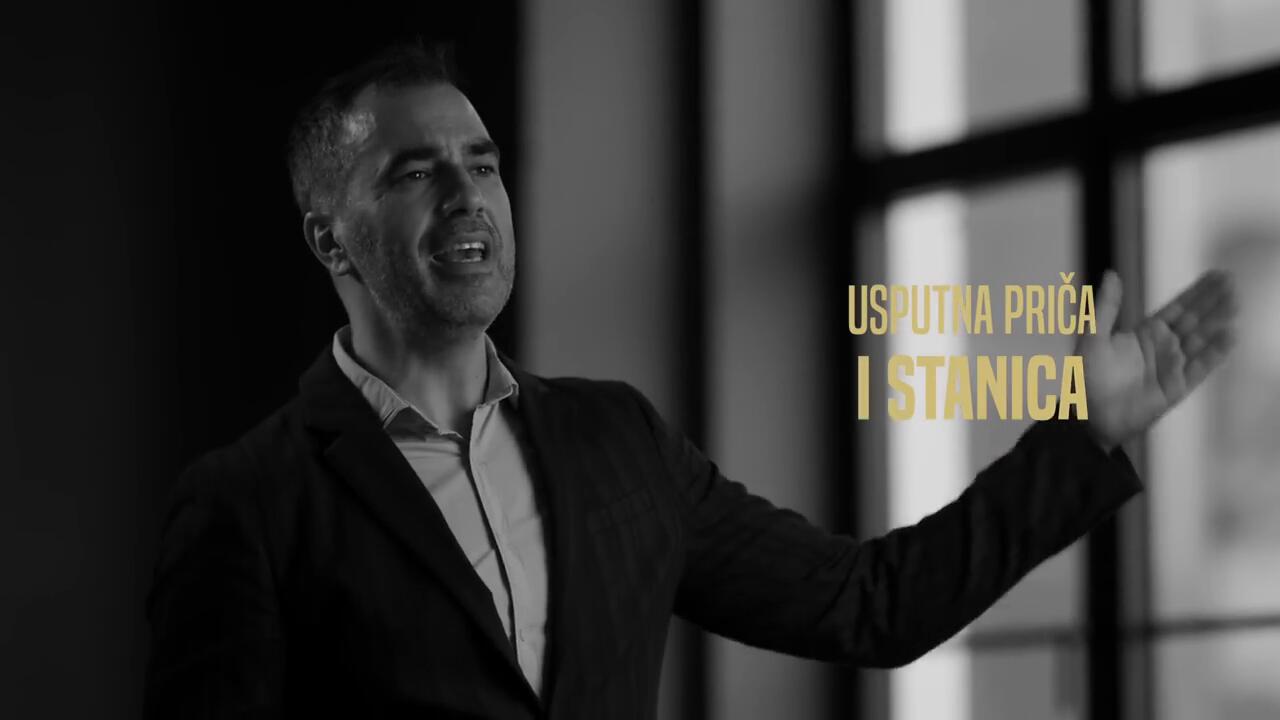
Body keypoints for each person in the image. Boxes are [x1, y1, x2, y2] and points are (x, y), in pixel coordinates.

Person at [143, 43, 1238, 719]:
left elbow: (873, 606)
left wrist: (1080, 436)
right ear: (331, 240)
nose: (467, 196)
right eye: (416, 174)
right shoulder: (248, 504)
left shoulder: (616, 441)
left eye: (482, 164)